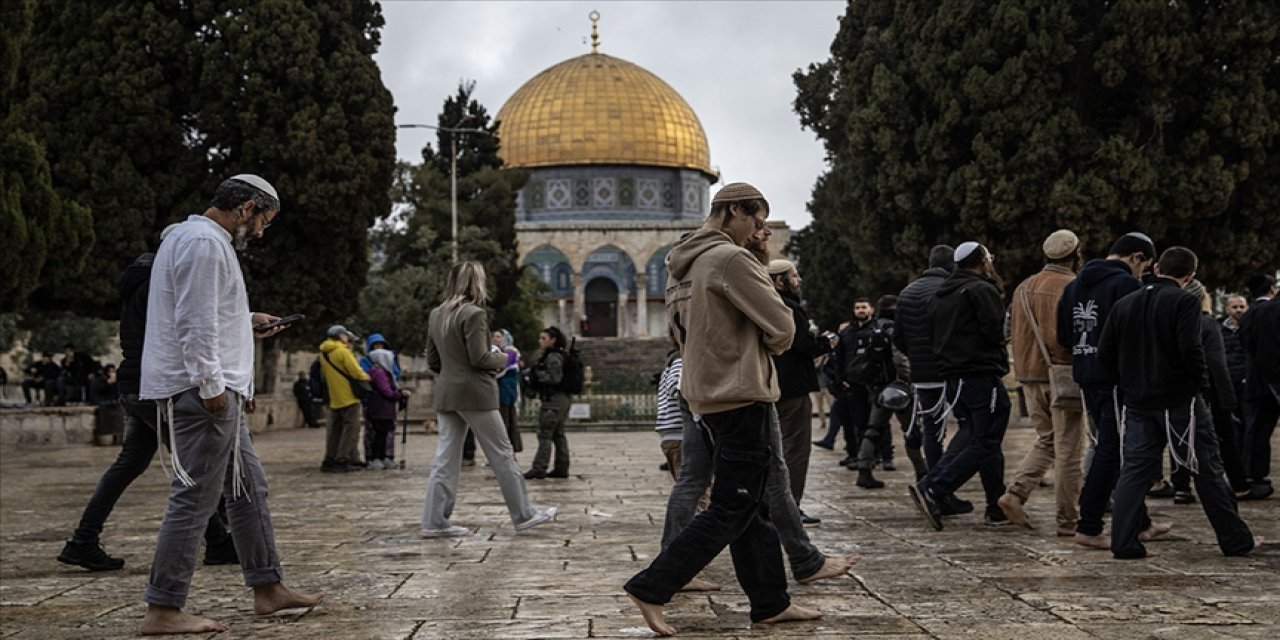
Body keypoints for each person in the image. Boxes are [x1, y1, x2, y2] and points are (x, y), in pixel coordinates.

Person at [623, 182, 821, 636]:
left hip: (703, 395)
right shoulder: (731, 260)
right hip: (740, 392)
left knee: (751, 506)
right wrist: (761, 344)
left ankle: (770, 601)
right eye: (755, 220)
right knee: (734, 504)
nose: (759, 231)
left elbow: (679, 336)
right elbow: (782, 326)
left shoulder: (681, 266)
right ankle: (652, 586)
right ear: (734, 210)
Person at [138, 174, 322, 634]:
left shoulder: (193, 238)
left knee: (248, 489)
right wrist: (211, 385)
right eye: (262, 221)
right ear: (244, 208)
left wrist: (246, 322)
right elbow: (194, 322)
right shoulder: (203, 244)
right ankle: (163, 608)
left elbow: (209, 315)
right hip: (204, 393)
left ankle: (268, 588)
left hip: (218, 389)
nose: (261, 232)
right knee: (196, 497)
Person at [58, 248, 237, 574]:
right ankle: (218, 542)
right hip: (159, 385)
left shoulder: (138, 281)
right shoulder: (161, 282)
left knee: (130, 465)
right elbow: (182, 332)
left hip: (133, 383)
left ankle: (82, 541)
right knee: (192, 464)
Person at [1099, 247, 1259, 558]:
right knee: (1206, 467)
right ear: (1190, 276)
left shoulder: (1125, 303)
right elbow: (1190, 347)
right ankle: (1235, 539)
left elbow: (1105, 352)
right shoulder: (1184, 301)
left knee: (1134, 470)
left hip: (1138, 400)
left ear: (1157, 267)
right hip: (1179, 400)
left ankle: (1124, 541)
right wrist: (1200, 384)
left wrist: (1128, 381)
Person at [421, 261, 556, 537]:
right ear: (476, 283)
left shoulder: (437, 314)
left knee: (445, 458)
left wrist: (452, 373)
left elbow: (433, 360)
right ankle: (523, 514)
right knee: (502, 453)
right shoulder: (474, 314)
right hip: (475, 394)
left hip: (448, 392)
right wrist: (503, 356)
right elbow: (479, 358)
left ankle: (434, 521)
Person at [1056, 232, 1160, 549]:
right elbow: (1140, 334)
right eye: (1145, 267)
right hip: (1116, 378)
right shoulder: (1126, 285)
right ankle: (1088, 525)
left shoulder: (1073, 286)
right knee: (1112, 451)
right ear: (1137, 257)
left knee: (1109, 445)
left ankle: (1140, 523)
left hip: (1087, 375)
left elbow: (1063, 335)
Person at [909, 241, 1011, 530]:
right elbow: (994, 331)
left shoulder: (942, 294)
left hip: (953, 377)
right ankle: (934, 488)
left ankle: (995, 505)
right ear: (980, 260)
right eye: (989, 256)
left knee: (978, 437)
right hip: (980, 374)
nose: (991, 260)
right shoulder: (981, 289)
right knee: (987, 438)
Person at [998, 230, 1086, 536]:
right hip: (1062, 375)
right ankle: (1068, 520)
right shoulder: (1073, 286)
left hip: (1028, 374)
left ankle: (1015, 493)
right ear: (1076, 256)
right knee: (1069, 449)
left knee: (1047, 439)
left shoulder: (1024, 287)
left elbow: (1008, 329)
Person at [894, 245, 975, 516]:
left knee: (932, 431)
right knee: (968, 426)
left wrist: (917, 357)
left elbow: (899, 337)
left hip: (921, 373)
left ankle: (938, 490)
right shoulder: (949, 290)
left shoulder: (907, 293)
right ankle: (937, 486)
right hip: (949, 370)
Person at [1170, 279, 1248, 501]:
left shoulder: (1174, 320)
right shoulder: (1207, 323)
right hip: (1209, 388)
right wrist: (1228, 398)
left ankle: (1181, 486)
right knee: (1224, 437)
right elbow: (1217, 363)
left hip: (1179, 387)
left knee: (1181, 436)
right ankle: (1239, 483)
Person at [766, 259, 825, 520]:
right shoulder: (790, 307)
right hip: (793, 389)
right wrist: (828, 343)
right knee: (795, 450)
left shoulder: (764, 305)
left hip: (770, 386)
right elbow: (803, 345)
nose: (798, 280)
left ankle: (773, 505)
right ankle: (790, 509)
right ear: (780, 281)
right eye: (794, 276)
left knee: (774, 450)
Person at [1239, 274, 1279, 500]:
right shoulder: (1270, 311)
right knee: (1258, 429)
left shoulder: (1249, 314)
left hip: (1255, 378)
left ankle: (1253, 474)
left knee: (1256, 430)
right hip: (1269, 377)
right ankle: (1254, 474)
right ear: (1271, 289)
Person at [319, 324, 370, 472]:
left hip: (334, 396)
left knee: (335, 430)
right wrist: (366, 377)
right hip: (348, 395)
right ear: (341, 336)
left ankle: (331, 457)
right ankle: (342, 458)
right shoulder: (343, 351)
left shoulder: (324, 352)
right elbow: (355, 371)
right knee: (351, 429)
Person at [524, 326, 572, 480]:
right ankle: (561, 467)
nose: (540, 341)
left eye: (544, 338)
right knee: (558, 434)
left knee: (545, 434)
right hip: (560, 399)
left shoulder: (553, 357)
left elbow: (554, 378)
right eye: (540, 338)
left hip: (554, 400)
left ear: (553, 340)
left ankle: (539, 467)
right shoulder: (557, 355)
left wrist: (537, 374)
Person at [364, 347, 409, 470]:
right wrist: (399, 395)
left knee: (383, 434)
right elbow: (386, 391)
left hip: (385, 409)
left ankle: (383, 457)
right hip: (380, 409)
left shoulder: (383, 372)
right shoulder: (379, 373)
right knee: (379, 434)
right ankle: (375, 458)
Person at [493, 329, 523, 454]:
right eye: (494, 336)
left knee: (505, 421)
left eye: (499, 337)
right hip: (504, 391)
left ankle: (506, 450)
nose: (495, 339)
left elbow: (501, 369)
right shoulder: (502, 351)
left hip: (506, 391)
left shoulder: (510, 351)